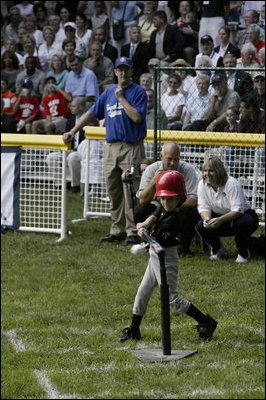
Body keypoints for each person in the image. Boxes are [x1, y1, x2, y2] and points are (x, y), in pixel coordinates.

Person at [119, 170, 218, 343]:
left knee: (173, 299)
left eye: (170, 198)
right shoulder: (162, 208)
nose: (166, 202)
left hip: (166, 258)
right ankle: (134, 328)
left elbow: (157, 241)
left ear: (180, 198)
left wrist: (144, 234)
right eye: (163, 198)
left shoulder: (174, 219)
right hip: (155, 256)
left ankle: (205, 321)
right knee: (143, 291)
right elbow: (154, 216)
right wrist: (145, 223)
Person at [63, 57, 147, 245]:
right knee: (113, 189)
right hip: (111, 146)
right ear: (115, 72)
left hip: (131, 146)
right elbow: (92, 113)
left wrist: (121, 98)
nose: (123, 73)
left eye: (126, 69)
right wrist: (72, 130)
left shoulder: (138, 92)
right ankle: (117, 229)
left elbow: (137, 118)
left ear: (131, 71)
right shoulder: (108, 92)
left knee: (130, 189)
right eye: (120, 70)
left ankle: (133, 231)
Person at [134, 141, 201, 257]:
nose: (172, 163)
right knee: (140, 209)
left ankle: (184, 247)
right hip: (156, 208)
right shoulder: (151, 169)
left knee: (193, 212)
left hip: (179, 208)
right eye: (169, 159)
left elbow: (194, 199)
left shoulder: (187, 170)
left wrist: (172, 205)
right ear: (161, 157)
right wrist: (155, 180)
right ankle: (149, 243)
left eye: (176, 159)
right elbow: (143, 200)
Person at [195, 156, 259, 263]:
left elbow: (238, 210)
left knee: (242, 223)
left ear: (219, 171)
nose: (207, 174)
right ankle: (217, 249)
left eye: (211, 171)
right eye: (205, 170)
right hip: (222, 218)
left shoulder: (231, 183)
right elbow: (203, 207)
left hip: (243, 216)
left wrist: (219, 220)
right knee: (201, 226)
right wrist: (207, 219)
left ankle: (243, 251)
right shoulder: (202, 184)